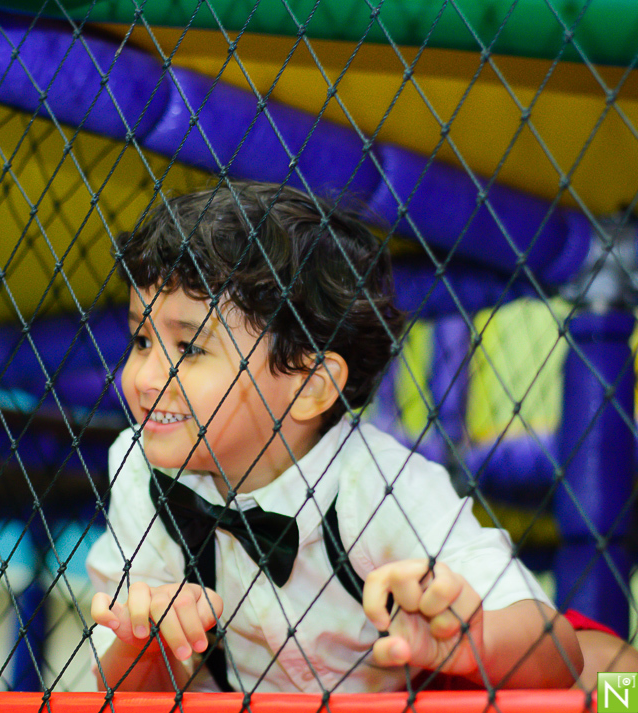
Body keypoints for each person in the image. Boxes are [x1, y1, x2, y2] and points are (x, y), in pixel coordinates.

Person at [85, 182, 584, 694]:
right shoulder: (141, 471)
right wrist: (146, 640)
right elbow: (114, 692)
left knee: (606, 666)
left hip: (413, 692)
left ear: (310, 386)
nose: (145, 377)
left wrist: (474, 636)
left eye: (189, 348)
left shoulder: (379, 485)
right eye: (141, 340)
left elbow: (556, 652)